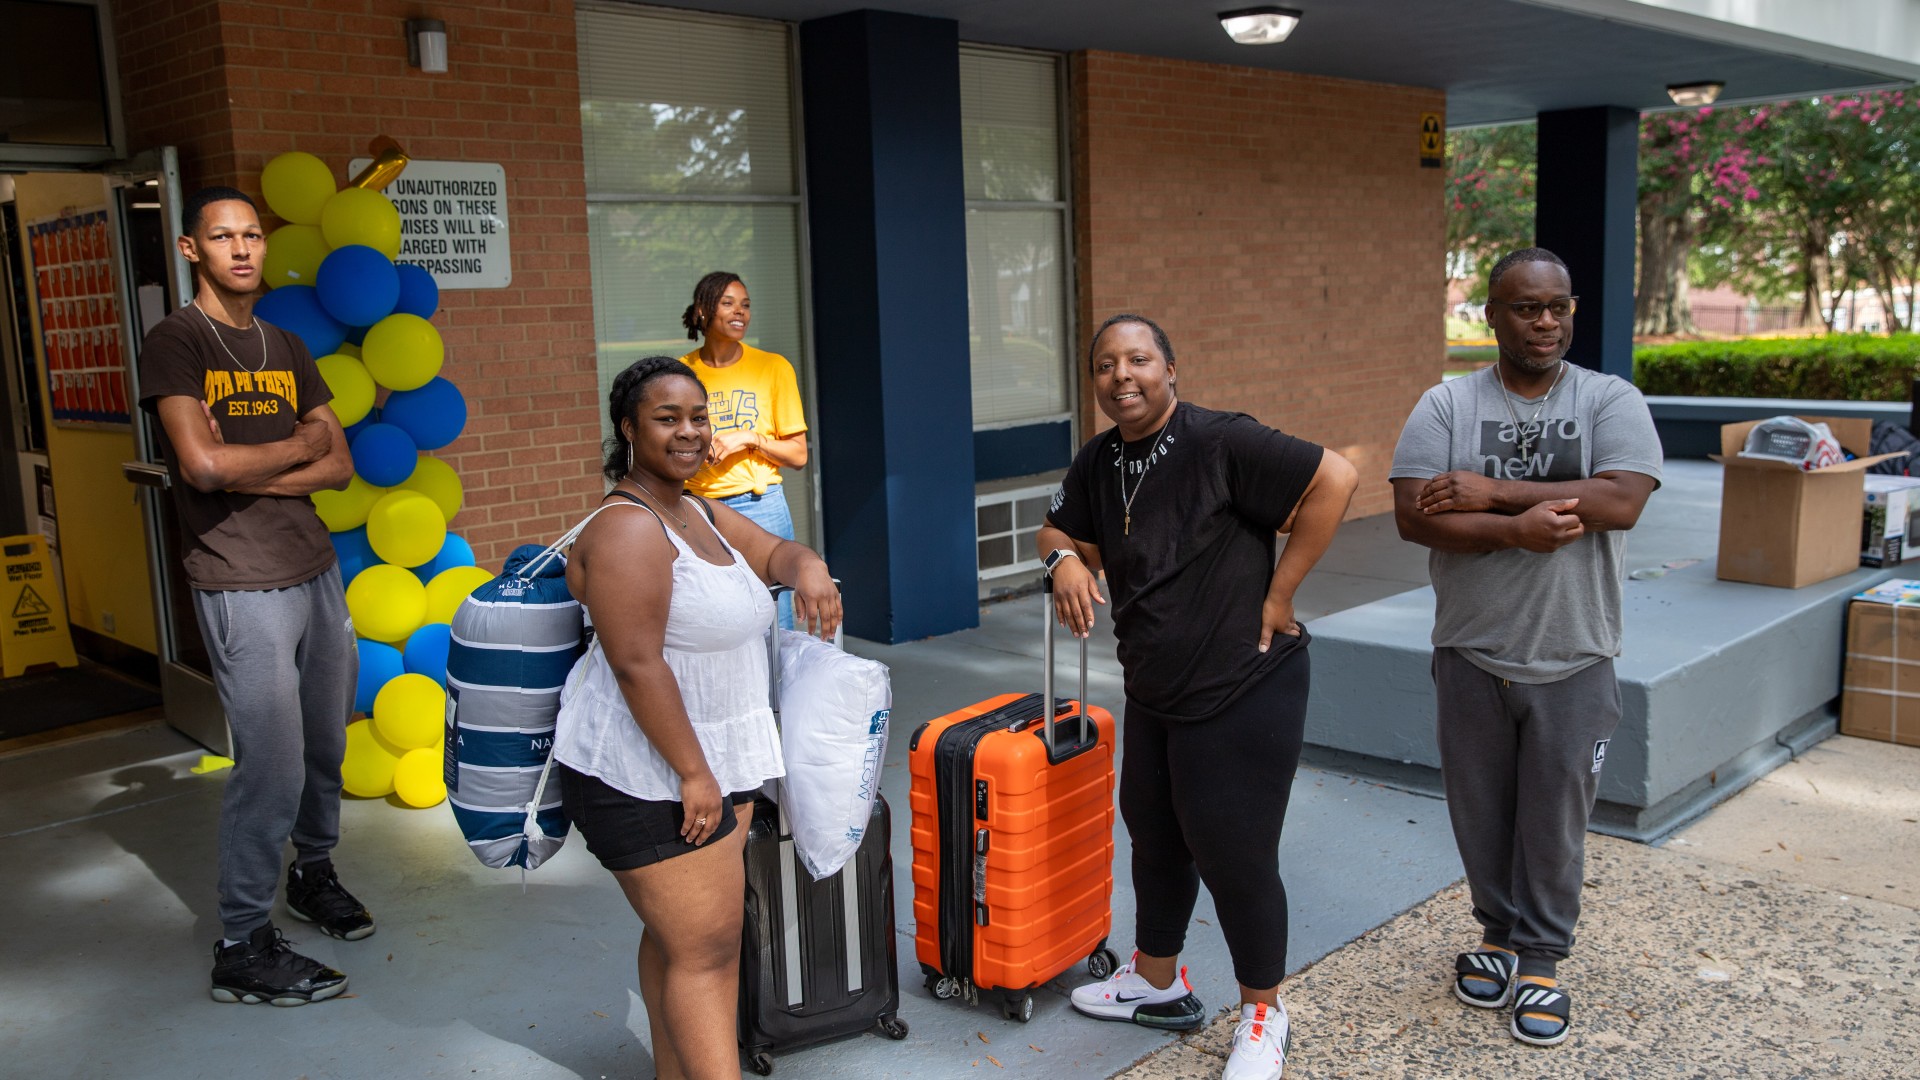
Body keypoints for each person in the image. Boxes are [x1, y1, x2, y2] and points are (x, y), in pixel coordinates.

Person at [1041, 314, 1359, 1080]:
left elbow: (1336, 479)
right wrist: (1064, 565)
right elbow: (1056, 527)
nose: (1123, 376)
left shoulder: (1221, 439)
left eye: (1140, 359)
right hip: (1155, 685)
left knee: (1234, 851)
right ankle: (1156, 980)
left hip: (1242, 683)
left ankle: (1263, 1014)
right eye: (1107, 365)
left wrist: (1281, 595)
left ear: (1172, 369)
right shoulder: (1100, 460)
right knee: (1153, 832)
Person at [1389, 247, 1662, 1047]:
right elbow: (1414, 516)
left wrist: (1493, 491)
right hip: (1471, 649)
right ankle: (1497, 937)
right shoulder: (1445, 407)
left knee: (1555, 817)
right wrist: (1518, 531)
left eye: (1558, 307)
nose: (1545, 323)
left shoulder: (1612, 399)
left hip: (1575, 651)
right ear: (1492, 316)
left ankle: (1542, 960)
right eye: (1525, 308)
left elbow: (1620, 502)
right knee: (1481, 813)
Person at [552, 355, 840, 1080]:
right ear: (628, 428)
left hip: (717, 761)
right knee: (707, 953)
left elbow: (775, 551)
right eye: (666, 418)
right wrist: (694, 772)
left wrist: (805, 568)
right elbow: (635, 664)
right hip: (649, 774)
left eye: (698, 416)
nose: (688, 431)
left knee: (680, 940)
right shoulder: (629, 528)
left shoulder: (697, 509)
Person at [137, 187, 366, 1006]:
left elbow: (338, 464)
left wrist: (255, 460)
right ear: (190, 249)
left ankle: (313, 871)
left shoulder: (284, 342)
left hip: (313, 566)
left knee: (324, 742)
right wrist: (294, 445)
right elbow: (200, 469)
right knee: (269, 760)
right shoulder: (175, 343)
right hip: (238, 577)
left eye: (252, 236)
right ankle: (241, 941)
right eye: (222, 237)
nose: (241, 248)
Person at [678, 271, 809, 628]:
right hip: (698, 509)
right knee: (712, 614)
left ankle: (775, 685)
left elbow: (798, 455)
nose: (740, 312)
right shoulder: (680, 374)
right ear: (703, 311)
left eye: (746, 304)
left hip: (760, 507)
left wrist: (749, 438)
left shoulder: (772, 367)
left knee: (775, 619)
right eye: (728, 303)